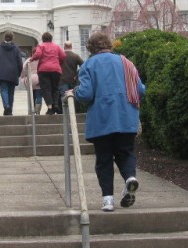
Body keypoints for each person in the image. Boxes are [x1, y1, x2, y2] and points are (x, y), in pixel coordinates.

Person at [72, 31, 145, 212]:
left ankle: (108, 200)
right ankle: (130, 178)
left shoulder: (88, 65)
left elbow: (86, 93)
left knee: (104, 160)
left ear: (91, 48)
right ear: (109, 45)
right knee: (125, 152)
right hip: (126, 117)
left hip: (101, 119)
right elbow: (141, 90)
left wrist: (74, 92)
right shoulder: (126, 63)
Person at [29, 32, 66, 115]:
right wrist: (58, 63)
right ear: (51, 38)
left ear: (43, 39)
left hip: (44, 70)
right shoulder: (56, 46)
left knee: (46, 89)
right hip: (56, 69)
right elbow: (63, 56)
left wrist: (31, 59)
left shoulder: (41, 46)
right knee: (55, 88)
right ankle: (55, 105)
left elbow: (38, 54)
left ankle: (50, 108)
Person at [0, 31, 23, 116]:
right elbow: (20, 63)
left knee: (4, 90)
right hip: (13, 73)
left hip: (2, 73)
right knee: (11, 92)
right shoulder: (16, 48)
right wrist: (19, 72)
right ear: (12, 38)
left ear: (4, 38)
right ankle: (10, 110)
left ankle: (7, 106)